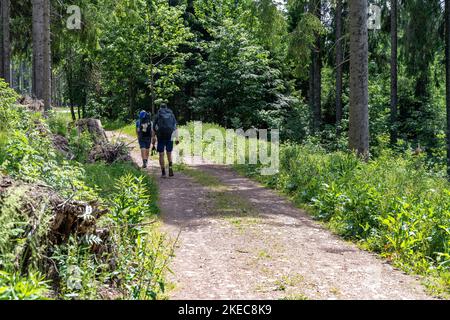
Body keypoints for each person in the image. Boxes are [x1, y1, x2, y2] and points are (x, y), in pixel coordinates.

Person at [153, 104, 179, 177]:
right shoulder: (171, 114)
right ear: (167, 108)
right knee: (169, 153)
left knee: (161, 154)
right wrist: (177, 138)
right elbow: (175, 127)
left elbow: (154, 128)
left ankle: (163, 172)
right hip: (170, 136)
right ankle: (170, 168)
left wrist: (153, 138)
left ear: (160, 108)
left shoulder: (158, 115)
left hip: (160, 136)